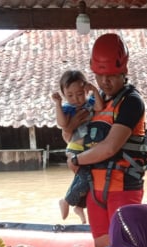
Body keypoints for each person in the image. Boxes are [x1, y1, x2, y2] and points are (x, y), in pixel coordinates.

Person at [65, 33, 147, 247]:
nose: (105, 82)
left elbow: (109, 147)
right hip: (96, 190)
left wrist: (76, 160)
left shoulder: (131, 101)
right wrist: (70, 128)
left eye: (112, 76)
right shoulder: (95, 102)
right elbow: (75, 139)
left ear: (124, 71)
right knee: (101, 246)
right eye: (100, 75)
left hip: (123, 187)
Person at [51, 70, 104, 224]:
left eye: (80, 94)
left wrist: (94, 90)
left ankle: (79, 206)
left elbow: (100, 107)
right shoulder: (68, 108)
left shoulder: (91, 102)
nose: (76, 99)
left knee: (87, 178)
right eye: (70, 95)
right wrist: (58, 104)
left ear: (85, 90)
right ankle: (67, 201)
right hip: (76, 148)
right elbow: (63, 124)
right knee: (86, 176)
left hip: (89, 148)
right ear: (64, 94)